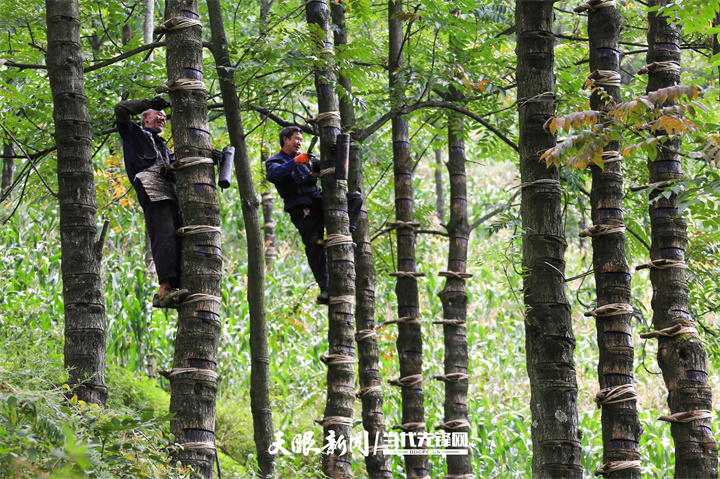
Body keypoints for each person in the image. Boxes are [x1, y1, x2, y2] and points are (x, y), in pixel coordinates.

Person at [265, 126, 362, 304]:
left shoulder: (308, 159)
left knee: (355, 198)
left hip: (320, 201)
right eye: (296, 138)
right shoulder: (275, 161)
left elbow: (330, 166)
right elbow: (274, 175)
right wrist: (295, 162)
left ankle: (347, 233)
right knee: (313, 246)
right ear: (285, 140)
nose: (299, 142)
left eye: (301, 139)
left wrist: (336, 153)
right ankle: (325, 288)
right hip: (302, 209)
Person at [114, 96, 188, 308]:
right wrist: (149, 102)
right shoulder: (133, 134)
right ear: (145, 117)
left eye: (165, 115)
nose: (163, 117)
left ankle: (174, 287)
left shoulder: (166, 148)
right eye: (158, 113)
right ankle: (164, 288)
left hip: (171, 193)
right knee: (163, 233)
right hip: (152, 189)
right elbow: (120, 109)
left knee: (177, 237)